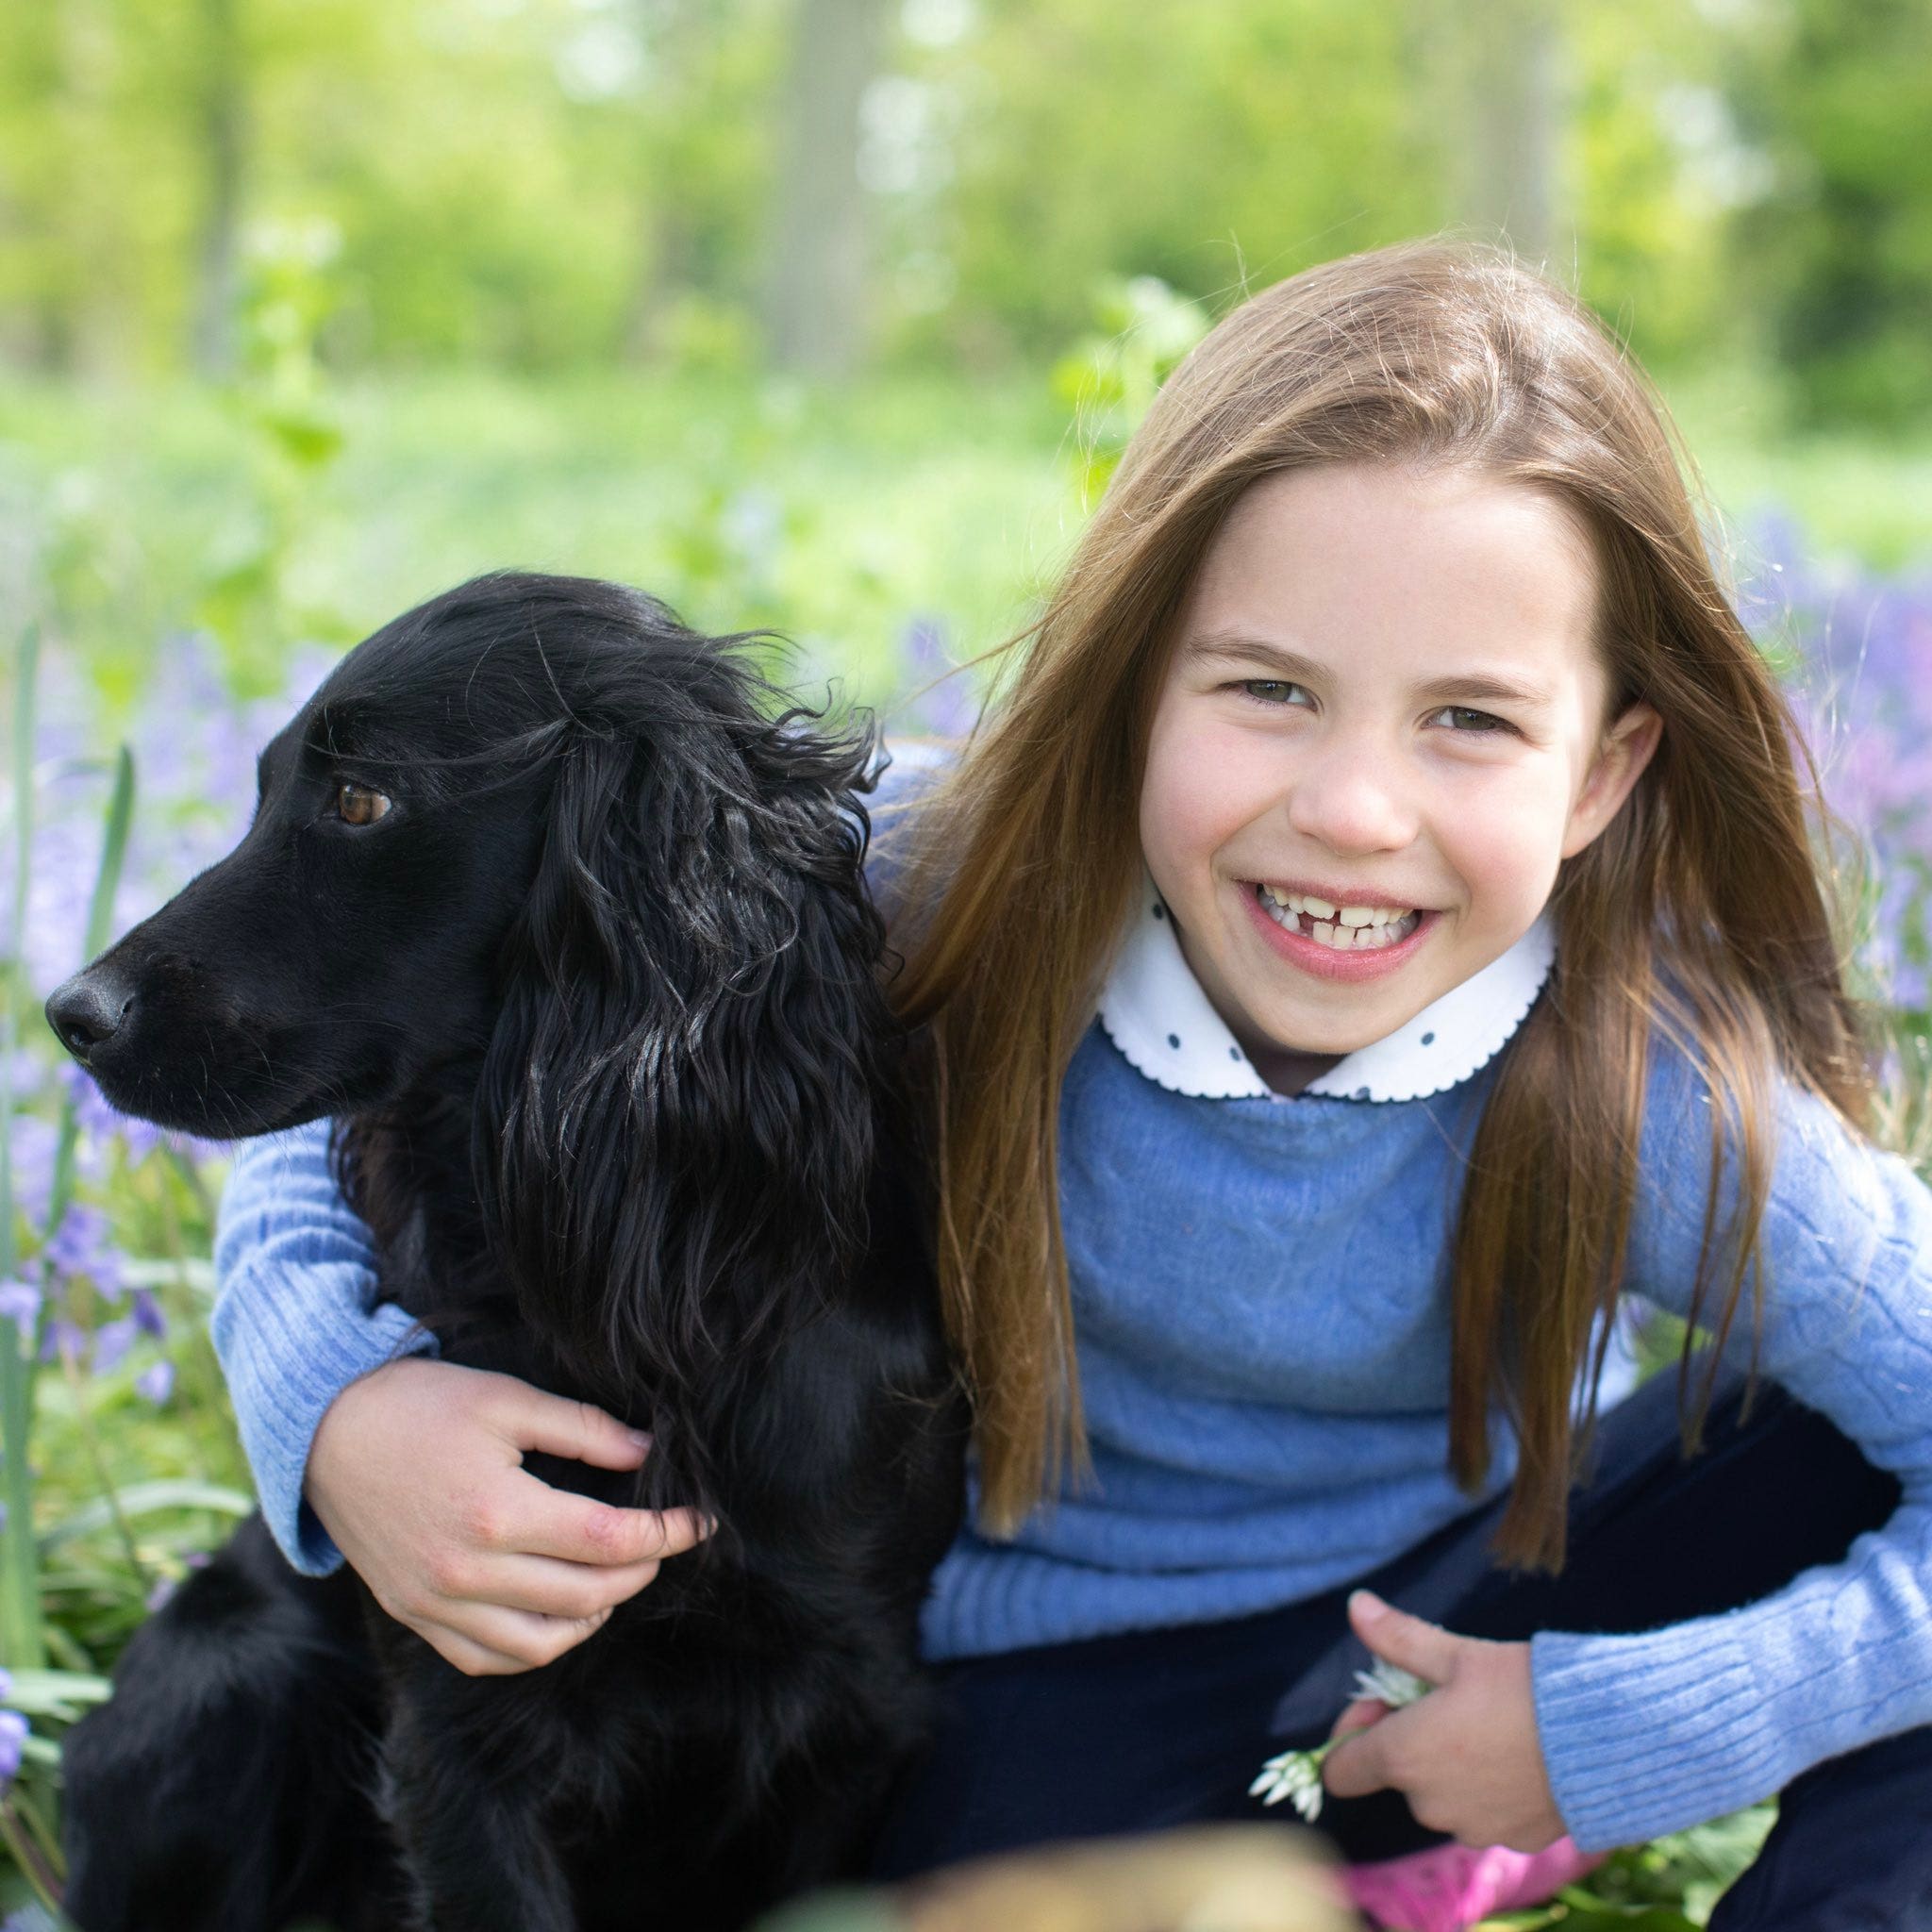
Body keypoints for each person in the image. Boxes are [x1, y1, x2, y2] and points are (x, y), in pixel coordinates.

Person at [209, 240, 1932, 1927]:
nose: (1352, 808)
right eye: (1269, 689)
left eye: (1469, 722)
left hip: (1466, 1615)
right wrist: (337, 1408)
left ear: (1602, 772)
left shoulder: (1643, 1085)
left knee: (1857, 1457)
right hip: (1042, 1699)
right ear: (1128, 691)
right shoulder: (928, 885)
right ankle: (1367, 1867)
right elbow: (376, 1041)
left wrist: (1626, 1729)